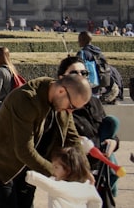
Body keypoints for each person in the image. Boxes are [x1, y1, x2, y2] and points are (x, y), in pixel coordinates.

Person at [0, 73, 92, 207]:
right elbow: (24, 150)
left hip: (29, 165)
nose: (70, 111)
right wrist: (55, 171)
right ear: (61, 91)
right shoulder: (26, 99)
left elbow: (72, 138)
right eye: (72, 106)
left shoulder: (61, 101)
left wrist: (84, 170)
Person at [57, 57, 118, 208]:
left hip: (101, 173)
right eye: (74, 73)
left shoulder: (94, 102)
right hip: (75, 175)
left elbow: (108, 132)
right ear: (61, 78)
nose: (80, 76)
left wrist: (114, 142)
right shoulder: (59, 108)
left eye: (83, 72)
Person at [24, 146, 102, 208]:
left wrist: (29, 175)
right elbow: (97, 201)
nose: (53, 169)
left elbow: (42, 181)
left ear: (68, 170)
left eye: (56, 167)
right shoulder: (87, 187)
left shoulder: (61, 187)